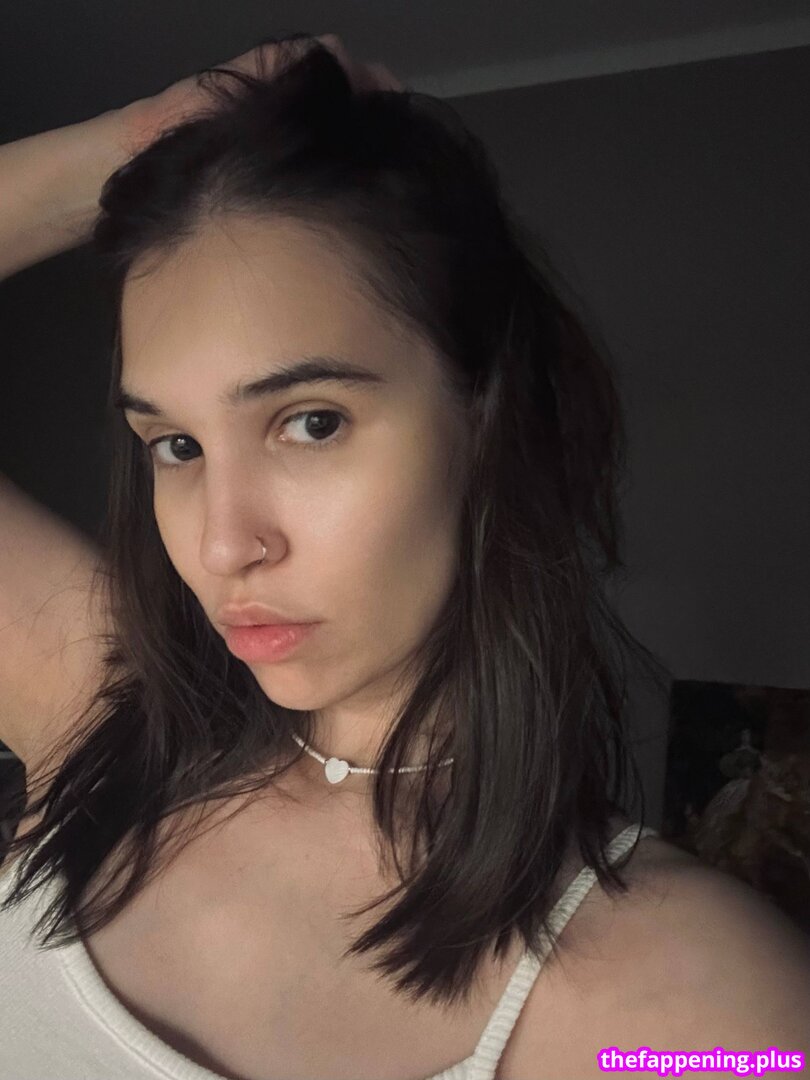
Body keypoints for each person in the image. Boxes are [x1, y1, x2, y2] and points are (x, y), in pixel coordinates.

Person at [0, 31, 807, 1080]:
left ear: (491, 420)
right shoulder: (109, 721)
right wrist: (126, 151)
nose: (223, 544)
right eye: (177, 445)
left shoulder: (706, 1018)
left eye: (311, 422)